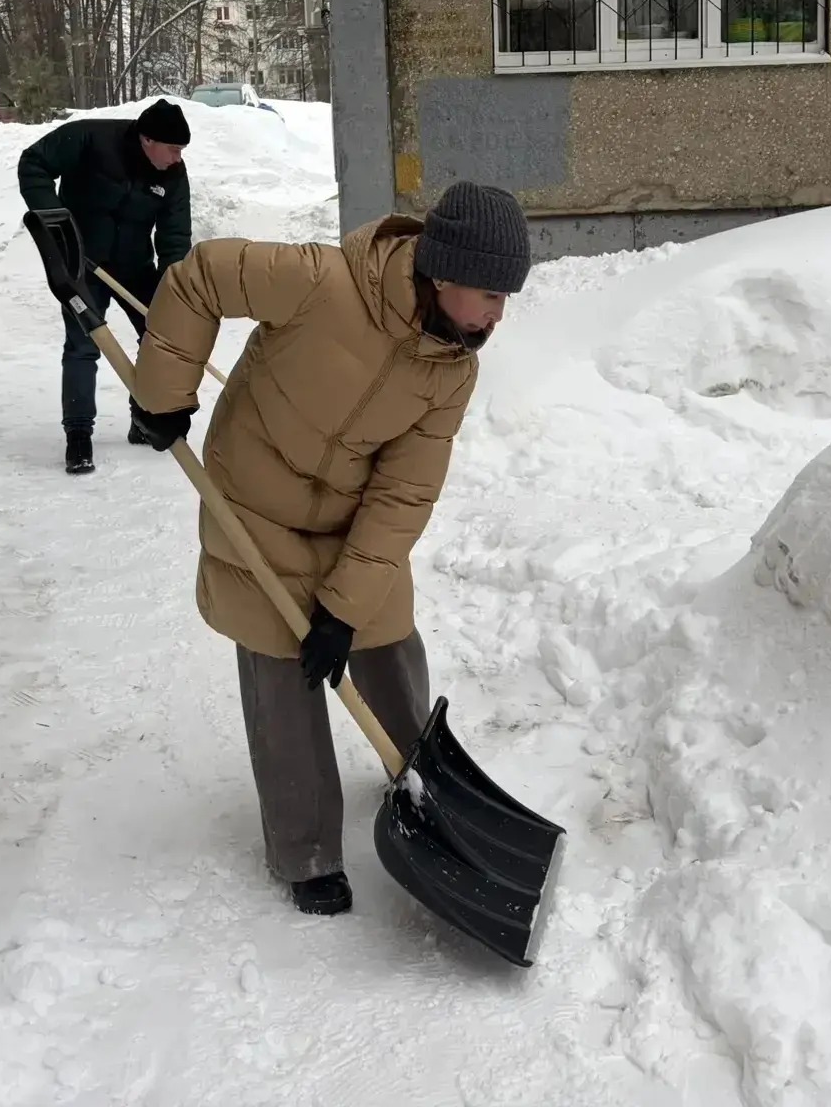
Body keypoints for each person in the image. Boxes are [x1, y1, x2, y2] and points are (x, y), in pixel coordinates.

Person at [126, 181, 532, 916]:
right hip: (256, 504)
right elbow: (202, 277)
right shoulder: (323, 282)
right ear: (445, 273)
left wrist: (344, 610)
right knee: (281, 671)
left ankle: (427, 782)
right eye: (492, 295)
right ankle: (305, 849)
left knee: (387, 639)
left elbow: (404, 493)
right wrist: (164, 395)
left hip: (350, 516)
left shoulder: (452, 369)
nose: (499, 315)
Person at [18, 99, 192, 473]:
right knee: (83, 346)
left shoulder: (173, 174)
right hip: (81, 266)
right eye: (174, 149)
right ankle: (78, 434)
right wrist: (57, 224)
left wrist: (171, 289)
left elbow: (175, 236)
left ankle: (144, 417)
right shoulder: (90, 139)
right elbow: (33, 163)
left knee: (158, 337)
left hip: (134, 266)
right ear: (148, 140)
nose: (178, 158)